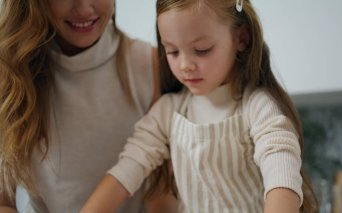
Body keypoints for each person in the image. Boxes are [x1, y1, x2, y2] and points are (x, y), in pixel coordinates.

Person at [81, 0, 319, 212]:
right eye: (172, 51)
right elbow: (127, 170)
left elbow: (282, 176)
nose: (185, 65)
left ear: (241, 39)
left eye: (201, 50)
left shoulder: (257, 107)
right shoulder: (168, 112)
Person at [0, 0, 176, 212]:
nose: (83, 9)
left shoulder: (152, 67)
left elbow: (162, 199)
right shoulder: (10, 75)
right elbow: (4, 202)